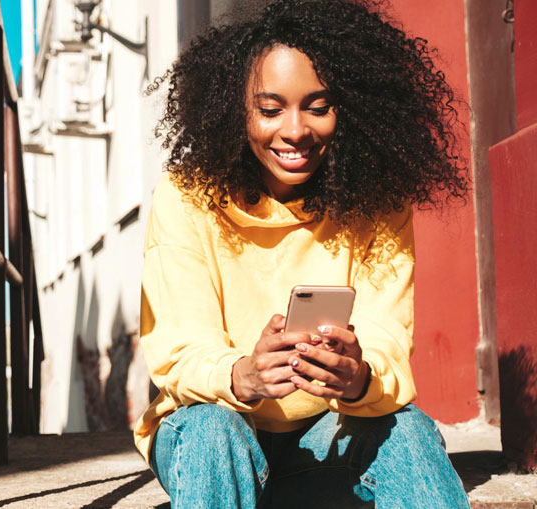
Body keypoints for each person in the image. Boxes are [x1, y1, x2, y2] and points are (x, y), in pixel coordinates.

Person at [134, 0, 471, 507]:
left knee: (407, 430)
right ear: (234, 109)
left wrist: (359, 378)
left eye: (318, 106)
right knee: (212, 429)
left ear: (351, 107)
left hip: (328, 429)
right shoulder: (186, 197)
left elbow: (386, 343)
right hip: (216, 432)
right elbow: (179, 350)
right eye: (270, 110)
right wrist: (242, 374)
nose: (295, 131)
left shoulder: (378, 201)